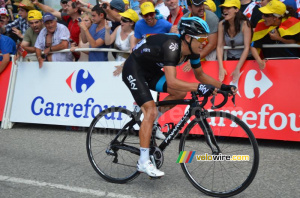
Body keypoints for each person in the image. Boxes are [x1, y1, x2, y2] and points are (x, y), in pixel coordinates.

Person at [122, 17, 237, 177]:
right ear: (188, 38)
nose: (205, 42)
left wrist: (223, 86)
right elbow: (172, 81)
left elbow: (201, 75)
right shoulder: (172, 46)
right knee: (150, 110)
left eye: (206, 38)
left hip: (152, 71)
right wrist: (199, 87)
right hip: (134, 69)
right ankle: (143, 161)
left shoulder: (192, 51)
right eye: (202, 38)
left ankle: (152, 123)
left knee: (180, 93)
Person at [251, 0, 300, 69]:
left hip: (292, 65)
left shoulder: (293, 24)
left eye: (266, 15)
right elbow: (253, 46)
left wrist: (279, 38)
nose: (262, 17)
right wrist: (259, 61)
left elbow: (295, 42)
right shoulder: (261, 25)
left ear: (275, 18)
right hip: (270, 67)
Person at [217, 0, 252, 83]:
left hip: (246, 61)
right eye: (224, 8)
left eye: (228, 8)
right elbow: (219, 46)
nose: (224, 10)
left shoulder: (245, 24)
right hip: (229, 60)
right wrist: (221, 67)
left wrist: (237, 68)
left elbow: (247, 48)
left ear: (236, 10)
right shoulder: (221, 24)